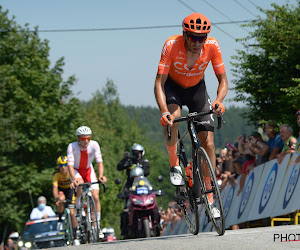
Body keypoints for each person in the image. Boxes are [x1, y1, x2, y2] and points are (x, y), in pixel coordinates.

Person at [154, 13, 228, 218]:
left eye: (202, 38)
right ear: (184, 34)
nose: (197, 42)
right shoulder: (171, 45)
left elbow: (223, 81)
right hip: (173, 88)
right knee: (175, 116)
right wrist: (163, 112)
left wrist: (219, 101)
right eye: (193, 37)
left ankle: (210, 197)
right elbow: (159, 83)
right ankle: (174, 164)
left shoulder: (212, 46)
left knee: (210, 144)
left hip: (197, 90)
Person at [67, 126, 107, 239]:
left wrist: (101, 176)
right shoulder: (72, 146)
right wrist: (73, 178)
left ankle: (97, 225)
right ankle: (78, 206)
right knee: (79, 183)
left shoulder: (94, 145)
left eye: (88, 138)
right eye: (83, 139)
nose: (86, 141)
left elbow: (99, 162)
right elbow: (69, 165)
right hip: (76, 171)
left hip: (89, 170)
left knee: (96, 195)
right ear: (78, 138)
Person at [53, 156, 80, 244]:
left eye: (65, 165)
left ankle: (75, 235)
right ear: (58, 166)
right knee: (60, 199)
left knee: (72, 214)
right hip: (62, 191)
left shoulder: (71, 173)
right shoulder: (56, 175)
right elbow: (55, 188)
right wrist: (56, 199)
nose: (63, 167)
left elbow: (75, 185)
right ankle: (60, 218)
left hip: (70, 190)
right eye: (61, 165)